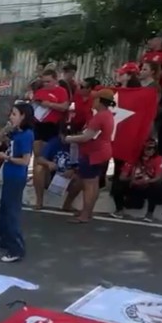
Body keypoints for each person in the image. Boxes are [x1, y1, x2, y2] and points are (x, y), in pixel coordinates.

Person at [65, 88, 117, 224]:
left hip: (93, 153)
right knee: (94, 183)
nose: (92, 101)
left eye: (95, 99)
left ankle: (85, 215)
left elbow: (86, 137)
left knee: (89, 185)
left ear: (100, 100)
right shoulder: (107, 115)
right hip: (102, 152)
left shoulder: (99, 117)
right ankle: (88, 212)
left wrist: (68, 139)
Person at [0, 105, 34, 263]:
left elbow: (25, 161)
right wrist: (5, 130)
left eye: (14, 114)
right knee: (4, 209)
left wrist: (7, 158)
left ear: (23, 116)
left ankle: (16, 249)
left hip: (16, 176)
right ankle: (5, 239)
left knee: (12, 212)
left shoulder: (27, 135)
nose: (11, 116)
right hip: (8, 174)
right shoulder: (16, 132)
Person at [112, 138, 162, 220]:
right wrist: (131, 179)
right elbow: (122, 177)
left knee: (156, 187)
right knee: (117, 185)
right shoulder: (132, 158)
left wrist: (147, 181)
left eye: (153, 148)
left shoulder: (158, 158)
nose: (151, 151)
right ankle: (119, 210)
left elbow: (158, 177)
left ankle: (149, 214)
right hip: (133, 184)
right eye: (148, 148)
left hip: (147, 185)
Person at [32, 126, 79, 212]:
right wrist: (48, 163)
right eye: (65, 135)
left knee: (82, 179)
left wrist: (73, 170)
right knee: (38, 169)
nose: (67, 138)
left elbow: (83, 165)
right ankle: (39, 201)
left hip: (68, 178)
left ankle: (67, 204)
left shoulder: (76, 145)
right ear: (60, 134)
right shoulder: (54, 142)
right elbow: (39, 159)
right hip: (52, 176)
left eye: (70, 135)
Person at [31, 69, 70, 157]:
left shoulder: (61, 91)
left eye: (48, 81)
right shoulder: (40, 91)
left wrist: (49, 104)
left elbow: (64, 107)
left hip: (52, 125)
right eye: (44, 82)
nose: (46, 84)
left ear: (55, 80)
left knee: (46, 153)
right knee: (37, 152)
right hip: (38, 124)